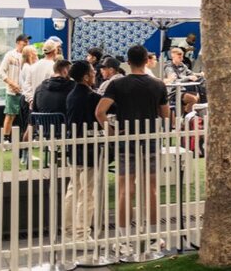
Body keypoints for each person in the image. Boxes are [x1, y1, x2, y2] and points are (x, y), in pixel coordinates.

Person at [96, 45, 170, 251]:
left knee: (124, 190)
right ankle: (154, 238)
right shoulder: (158, 85)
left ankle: (124, 240)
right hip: (150, 139)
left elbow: (99, 111)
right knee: (151, 189)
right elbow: (166, 116)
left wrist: (111, 131)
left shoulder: (117, 85)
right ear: (147, 60)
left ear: (128, 62)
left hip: (125, 139)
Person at [64, 60, 101, 243]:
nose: (95, 73)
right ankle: (81, 234)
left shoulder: (71, 95)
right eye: (93, 71)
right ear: (86, 76)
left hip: (74, 148)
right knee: (87, 192)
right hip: (88, 148)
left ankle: (69, 230)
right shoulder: (91, 97)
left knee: (73, 189)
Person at [0, 34, 29, 149]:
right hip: (13, 91)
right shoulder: (10, 55)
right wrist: (12, 83)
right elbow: (1, 72)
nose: (26, 44)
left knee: (26, 117)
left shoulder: (29, 56)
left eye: (27, 42)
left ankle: (24, 140)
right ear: (18, 42)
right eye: (24, 42)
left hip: (26, 92)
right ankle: (5, 140)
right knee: (10, 115)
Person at [26, 39, 60, 105]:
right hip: (48, 105)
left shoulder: (33, 66)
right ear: (54, 51)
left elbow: (27, 85)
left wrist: (31, 100)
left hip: (34, 105)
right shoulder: (54, 67)